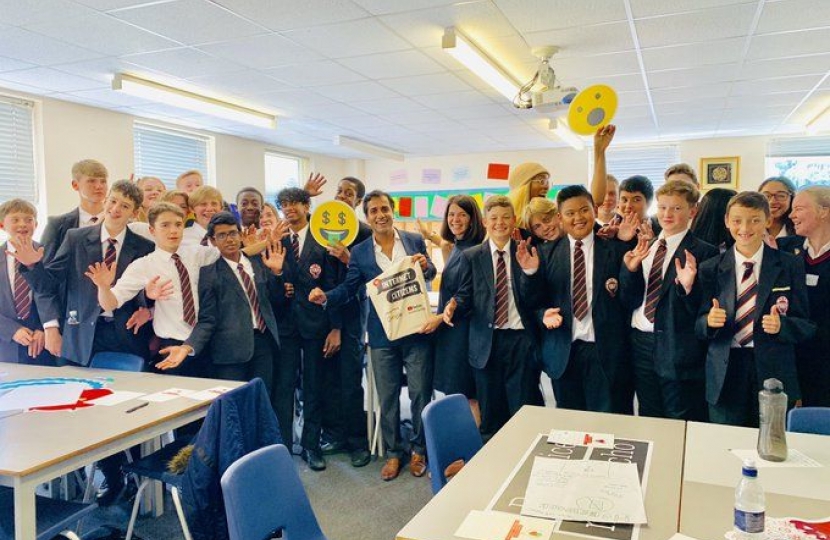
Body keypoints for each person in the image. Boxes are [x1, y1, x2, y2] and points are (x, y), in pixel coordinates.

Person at [309, 190, 436, 482]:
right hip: (381, 335)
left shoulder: (414, 240)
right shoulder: (362, 252)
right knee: (388, 397)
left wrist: (428, 267)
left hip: (416, 330)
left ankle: (419, 450)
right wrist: (325, 297)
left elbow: (429, 273)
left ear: (393, 211)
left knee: (419, 393)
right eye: (374, 211)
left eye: (384, 209)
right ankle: (393, 453)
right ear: (367, 217)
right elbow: (350, 288)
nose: (380, 215)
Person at [696, 191, 815, 427]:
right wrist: (708, 321)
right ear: (727, 221)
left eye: (754, 220)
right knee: (725, 442)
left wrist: (783, 325)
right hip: (726, 371)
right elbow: (698, 323)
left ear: (768, 221)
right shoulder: (710, 267)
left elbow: (806, 324)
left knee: (771, 441)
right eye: (737, 220)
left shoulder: (789, 265)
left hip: (773, 369)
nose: (745, 228)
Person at [163, 212, 288, 425]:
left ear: (240, 235)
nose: (229, 239)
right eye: (221, 236)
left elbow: (276, 301)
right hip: (230, 351)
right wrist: (187, 346)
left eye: (232, 233)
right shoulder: (209, 273)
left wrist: (277, 273)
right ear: (212, 241)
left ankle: (262, 453)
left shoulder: (258, 263)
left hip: (264, 343)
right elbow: (207, 318)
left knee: (262, 403)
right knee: (234, 409)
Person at [14, 180, 155, 367]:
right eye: (112, 201)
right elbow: (50, 285)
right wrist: (33, 266)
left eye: (125, 206)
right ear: (105, 201)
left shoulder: (145, 247)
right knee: (75, 391)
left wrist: (148, 310)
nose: (115, 209)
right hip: (79, 334)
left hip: (126, 334)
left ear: (135, 213)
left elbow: (147, 293)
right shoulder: (76, 238)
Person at [522, 185, 630, 413]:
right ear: (560, 218)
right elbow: (533, 302)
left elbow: (630, 298)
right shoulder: (546, 253)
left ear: (595, 210)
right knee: (569, 424)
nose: (578, 218)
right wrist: (543, 312)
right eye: (570, 213)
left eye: (584, 210)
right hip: (564, 352)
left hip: (605, 353)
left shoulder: (615, 249)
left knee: (608, 423)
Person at [619, 180, 718, 421]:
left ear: (692, 211)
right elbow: (628, 299)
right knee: (649, 414)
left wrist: (688, 288)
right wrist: (629, 270)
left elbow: (703, 309)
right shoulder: (647, 246)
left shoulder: (705, 252)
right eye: (662, 207)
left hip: (679, 344)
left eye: (676, 208)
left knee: (679, 415)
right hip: (641, 342)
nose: (667, 214)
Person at [86, 202, 220, 377]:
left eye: (178, 225)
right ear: (152, 231)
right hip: (172, 345)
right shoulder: (143, 265)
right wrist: (103, 287)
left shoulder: (197, 254)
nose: (173, 231)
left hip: (204, 342)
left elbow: (233, 254)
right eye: (165, 225)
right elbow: (110, 303)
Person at [449, 196, 539, 439]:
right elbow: (465, 295)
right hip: (485, 342)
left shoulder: (526, 251)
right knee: (490, 410)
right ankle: (493, 461)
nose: (500, 223)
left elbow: (536, 297)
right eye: (494, 218)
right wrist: (454, 304)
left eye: (506, 217)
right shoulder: (471, 256)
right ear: (485, 222)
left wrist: (531, 271)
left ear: (514, 221)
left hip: (520, 341)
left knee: (522, 407)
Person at [275, 187, 342, 472]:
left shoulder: (323, 240)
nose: (289, 209)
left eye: (294, 204)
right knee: (284, 387)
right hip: (285, 326)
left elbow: (336, 284)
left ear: (306, 206)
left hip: (317, 325)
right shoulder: (276, 241)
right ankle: (282, 446)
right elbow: (268, 281)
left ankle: (311, 446)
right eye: (283, 205)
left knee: (314, 387)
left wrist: (336, 327)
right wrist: (281, 283)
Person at [310, 176, 373, 468]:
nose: (342, 196)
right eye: (339, 191)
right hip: (323, 316)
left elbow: (367, 281)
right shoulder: (321, 231)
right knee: (327, 382)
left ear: (358, 202)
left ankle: (357, 442)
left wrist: (350, 259)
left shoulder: (364, 233)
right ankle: (333, 434)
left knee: (350, 382)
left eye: (349, 193)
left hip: (351, 318)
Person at [424, 195, 485, 423]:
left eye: (462, 214)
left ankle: (473, 451)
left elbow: (466, 296)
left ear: (472, 219)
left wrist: (438, 318)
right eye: (451, 214)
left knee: (467, 395)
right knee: (457, 394)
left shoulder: (475, 250)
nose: (455, 219)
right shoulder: (458, 247)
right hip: (451, 332)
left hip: (463, 332)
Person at [778, 187, 830, 407]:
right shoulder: (784, 250)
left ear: (824, 212)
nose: (791, 216)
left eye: (798, 208)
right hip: (792, 357)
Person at [0, 199, 54, 366]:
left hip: (42, 341)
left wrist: (43, 327)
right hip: (6, 343)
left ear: (36, 224)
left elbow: (55, 293)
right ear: (2, 225)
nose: (22, 224)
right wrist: (12, 330)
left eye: (28, 219)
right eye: (15, 219)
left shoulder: (48, 254)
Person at [41, 159, 108, 262]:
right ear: (75, 185)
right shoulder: (57, 225)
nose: (99, 186)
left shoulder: (121, 222)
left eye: (103, 181)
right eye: (91, 181)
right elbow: (47, 269)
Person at [507, 162, 550, 231]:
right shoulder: (508, 223)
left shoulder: (551, 216)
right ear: (524, 187)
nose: (547, 187)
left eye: (547, 182)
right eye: (542, 181)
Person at [759, 176, 797, 243]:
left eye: (780, 196)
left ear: (792, 199)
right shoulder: (749, 229)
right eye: (766, 196)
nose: (772, 201)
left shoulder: (801, 230)